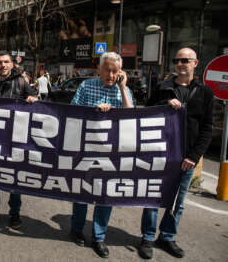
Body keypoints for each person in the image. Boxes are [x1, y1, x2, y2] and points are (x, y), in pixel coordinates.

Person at [138, 48, 214, 260]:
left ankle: (167, 236)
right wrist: (164, 104)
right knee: (154, 198)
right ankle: (147, 237)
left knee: (177, 202)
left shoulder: (205, 93)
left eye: (185, 60)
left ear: (195, 63)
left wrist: (193, 157)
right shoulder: (162, 88)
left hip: (186, 159)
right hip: (161, 155)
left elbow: (207, 127)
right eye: (177, 60)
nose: (180, 63)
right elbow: (146, 113)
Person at [70, 52, 133, 258]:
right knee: (82, 192)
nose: (111, 74)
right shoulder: (86, 86)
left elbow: (131, 116)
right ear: (99, 68)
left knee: (105, 195)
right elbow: (72, 112)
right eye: (108, 70)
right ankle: (77, 230)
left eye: (116, 71)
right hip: (86, 149)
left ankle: (99, 237)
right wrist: (93, 111)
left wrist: (123, 88)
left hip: (111, 154)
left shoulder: (123, 89)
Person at [0, 51, 37, 229]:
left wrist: (34, 99)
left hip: (14, 139)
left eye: (6, 62)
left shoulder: (21, 82)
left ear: (12, 64)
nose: (3, 65)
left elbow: (37, 102)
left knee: (14, 177)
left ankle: (15, 213)